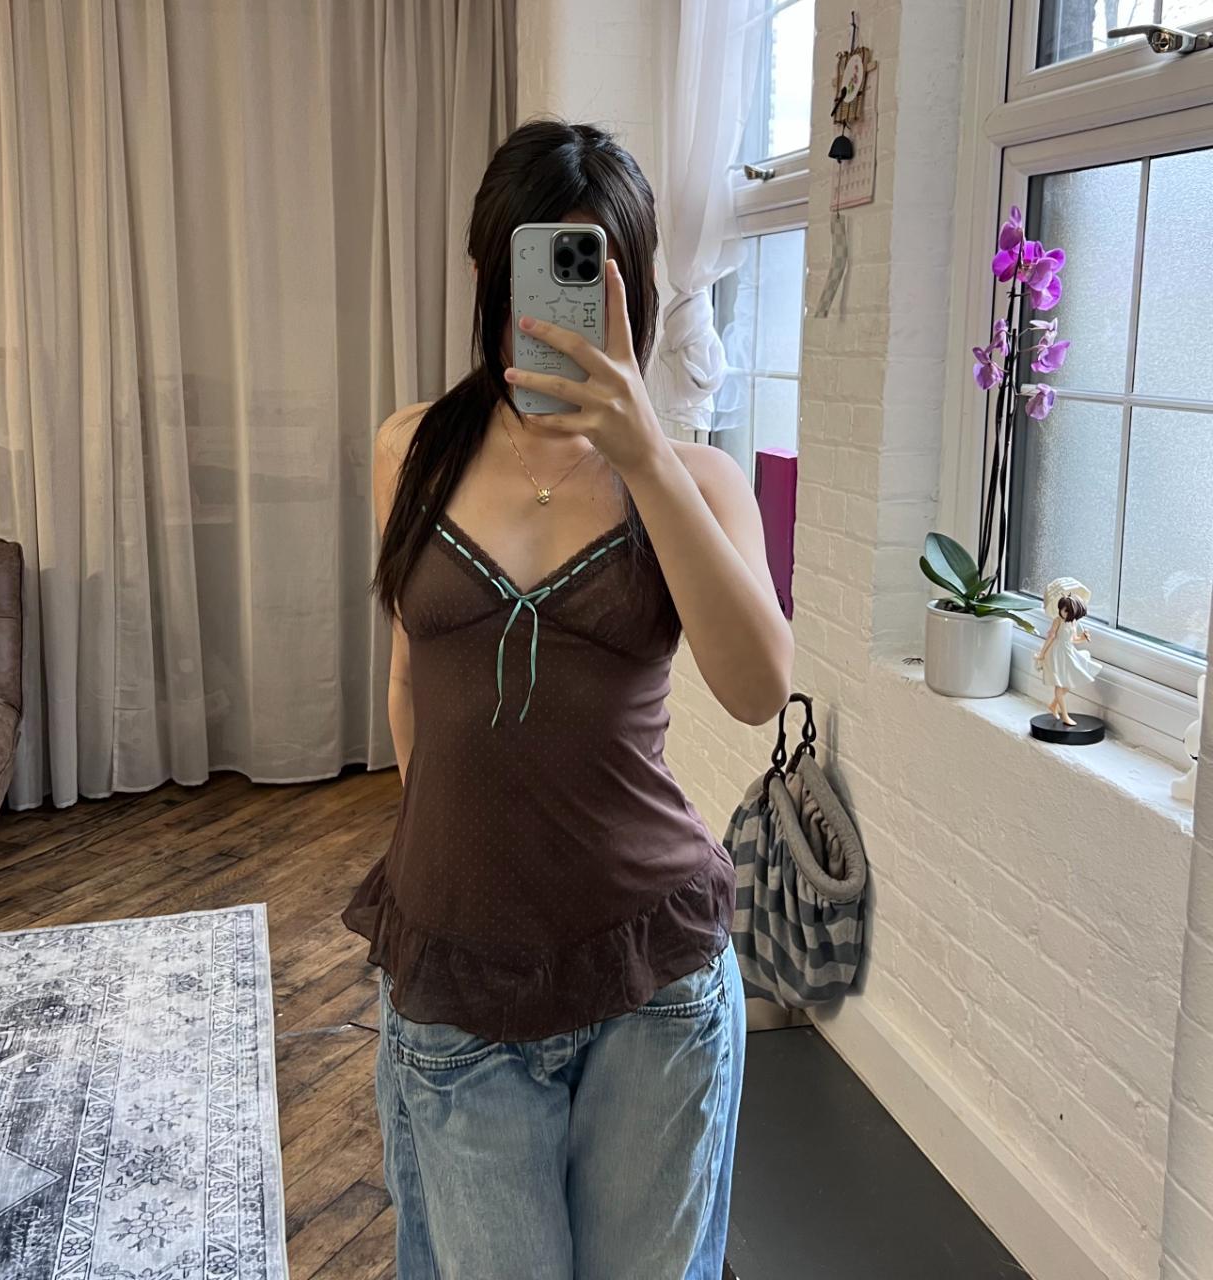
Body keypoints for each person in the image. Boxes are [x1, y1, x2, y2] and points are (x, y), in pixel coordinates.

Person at [343, 119, 794, 1280]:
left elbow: (756, 688)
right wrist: (459, 863)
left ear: (632, 288)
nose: (551, 308)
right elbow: (410, 676)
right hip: (457, 980)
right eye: (534, 270)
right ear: (488, 274)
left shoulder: (696, 480)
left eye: (589, 274)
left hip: (654, 980)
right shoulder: (408, 450)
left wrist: (642, 455)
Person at [1035, 594, 1102, 726]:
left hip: (1068, 651)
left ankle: (1053, 705)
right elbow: (1051, 638)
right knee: (1060, 684)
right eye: (1062, 609)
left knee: (1068, 684)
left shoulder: (1073, 622)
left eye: (1067, 610)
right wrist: (1042, 653)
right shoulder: (1057, 621)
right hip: (1056, 653)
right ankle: (1064, 715)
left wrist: (1082, 638)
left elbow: (1073, 639)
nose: (1063, 612)